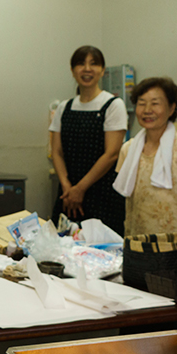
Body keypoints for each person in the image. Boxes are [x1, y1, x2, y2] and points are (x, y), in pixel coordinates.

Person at [112, 77, 177, 236]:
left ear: (171, 108)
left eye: (155, 103)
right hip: (140, 242)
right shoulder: (128, 149)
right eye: (141, 103)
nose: (147, 110)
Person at [48, 46, 128, 235]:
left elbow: (111, 154)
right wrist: (67, 187)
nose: (87, 69)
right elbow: (56, 152)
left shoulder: (113, 105)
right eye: (81, 63)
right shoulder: (64, 107)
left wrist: (80, 189)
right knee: (61, 244)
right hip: (68, 194)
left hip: (102, 193)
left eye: (94, 64)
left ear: (102, 70)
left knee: (101, 247)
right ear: (72, 70)